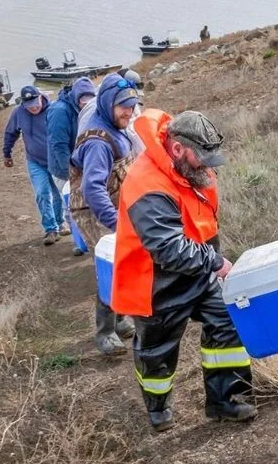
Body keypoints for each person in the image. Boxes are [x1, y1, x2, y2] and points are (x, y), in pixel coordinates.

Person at [111, 109, 256, 432]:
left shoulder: (190, 168)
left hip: (197, 270)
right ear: (177, 148)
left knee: (227, 322)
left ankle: (225, 401)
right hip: (154, 282)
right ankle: (158, 408)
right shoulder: (146, 183)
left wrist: (209, 261)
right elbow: (167, 249)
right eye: (201, 158)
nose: (207, 166)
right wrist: (215, 262)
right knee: (157, 353)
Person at [69, 77, 143, 355]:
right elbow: (92, 189)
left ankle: (121, 319)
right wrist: (117, 223)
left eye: (132, 106)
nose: (129, 112)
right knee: (110, 267)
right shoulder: (98, 142)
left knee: (124, 265)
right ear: (108, 103)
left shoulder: (118, 127)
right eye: (123, 107)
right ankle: (105, 333)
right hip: (92, 211)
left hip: (114, 206)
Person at [2, 86, 65, 245]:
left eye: (35, 103)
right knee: (42, 193)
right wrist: (7, 153)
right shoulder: (19, 113)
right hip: (35, 161)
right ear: (23, 103)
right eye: (29, 105)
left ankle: (60, 222)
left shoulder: (54, 110)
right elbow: (11, 133)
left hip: (55, 160)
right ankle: (50, 229)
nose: (34, 107)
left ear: (40, 97)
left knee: (58, 193)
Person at [47, 76, 96, 248]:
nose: (86, 103)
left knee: (88, 202)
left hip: (82, 164)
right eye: (83, 100)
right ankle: (79, 242)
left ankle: (90, 238)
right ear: (75, 97)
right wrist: (71, 173)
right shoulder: (60, 111)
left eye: (90, 99)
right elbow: (58, 145)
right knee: (72, 204)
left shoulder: (90, 107)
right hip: (63, 167)